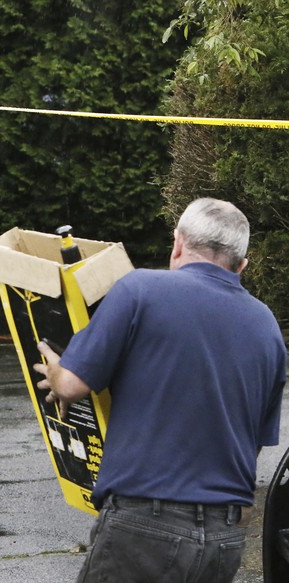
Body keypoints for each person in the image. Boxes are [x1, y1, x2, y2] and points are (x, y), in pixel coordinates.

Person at [33, 197, 286, 583]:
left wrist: (53, 371)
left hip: (144, 528)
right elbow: (252, 446)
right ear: (242, 264)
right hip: (224, 537)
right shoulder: (267, 327)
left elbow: (71, 384)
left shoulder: (140, 290)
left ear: (178, 243)